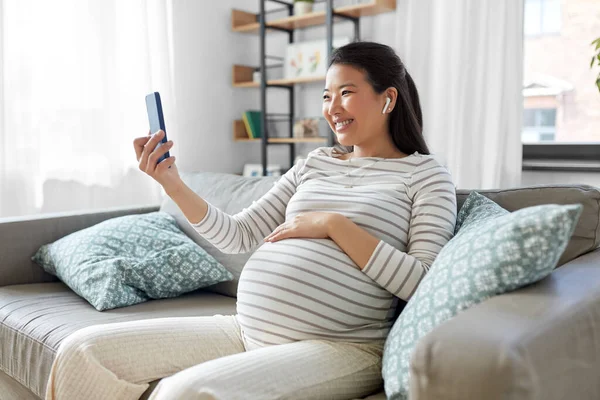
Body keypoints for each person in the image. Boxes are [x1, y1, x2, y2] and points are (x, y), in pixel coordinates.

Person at [45, 41, 457, 400]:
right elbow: (236, 234)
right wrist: (171, 183)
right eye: (327, 96)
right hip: (246, 328)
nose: (332, 109)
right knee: (81, 351)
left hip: (342, 346)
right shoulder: (314, 164)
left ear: (387, 99)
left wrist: (334, 224)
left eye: (346, 93)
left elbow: (424, 282)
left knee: (187, 393)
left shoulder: (425, 177)